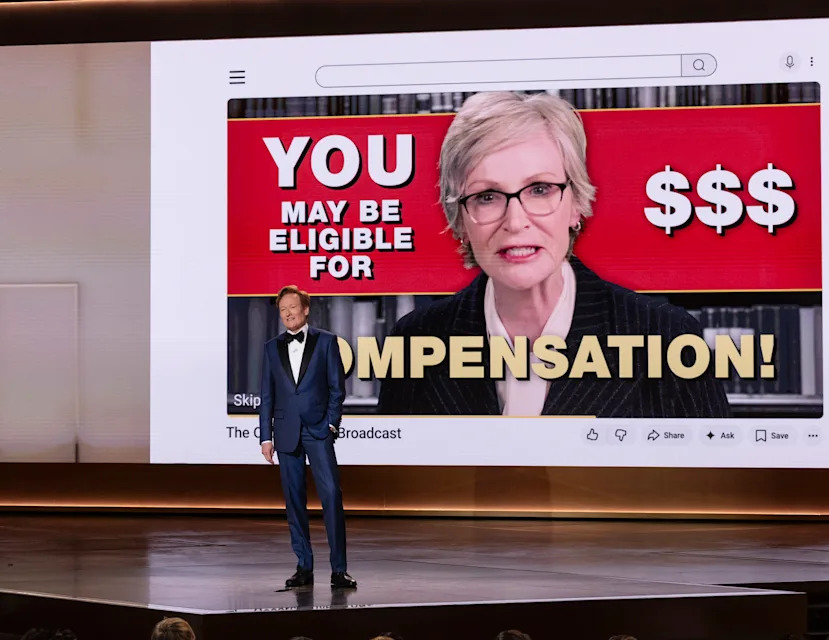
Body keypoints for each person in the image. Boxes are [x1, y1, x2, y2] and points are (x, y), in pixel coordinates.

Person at [376, 91, 730, 418]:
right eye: (487, 196)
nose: (515, 222)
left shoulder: (666, 336)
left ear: (576, 204)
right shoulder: (414, 341)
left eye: (540, 189)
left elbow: (714, 484)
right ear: (462, 221)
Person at [259, 284, 356, 589]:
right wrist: (266, 437)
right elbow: (267, 394)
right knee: (294, 502)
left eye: (292, 307)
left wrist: (331, 425)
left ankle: (339, 569)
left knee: (331, 497)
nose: (287, 313)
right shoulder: (271, 347)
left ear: (305, 309)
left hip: (318, 431)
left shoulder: (327, 343)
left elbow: (337, 389)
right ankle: (304, 566)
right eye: (282, 309)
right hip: (286, 432)